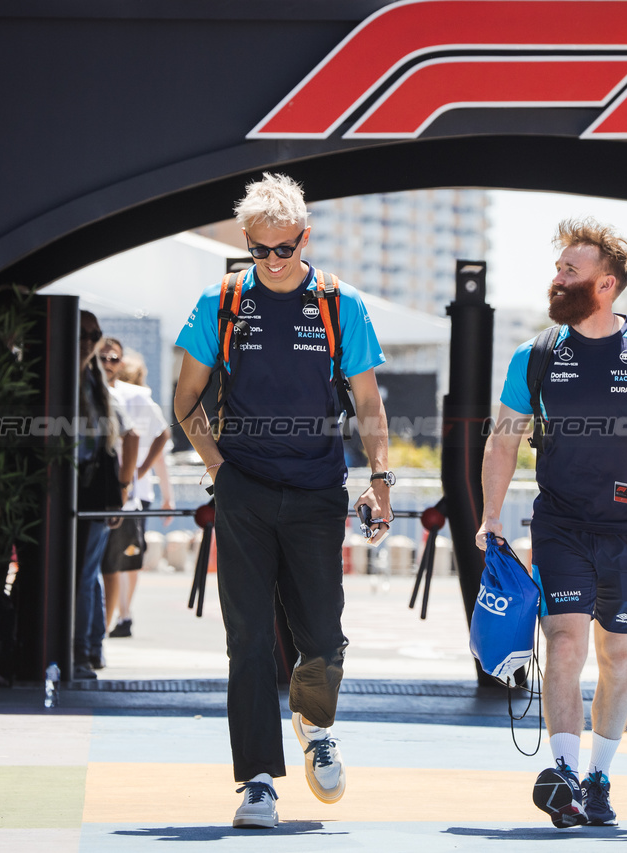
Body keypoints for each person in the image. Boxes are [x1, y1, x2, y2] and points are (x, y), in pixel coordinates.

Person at [172, 172, 393, 830]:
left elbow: (370, 402)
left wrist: (380, 479)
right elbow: (186, 401)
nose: (274, 262)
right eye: (261, 250)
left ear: (305, 237)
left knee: (322, 636)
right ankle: (258, 781)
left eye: (286, 249)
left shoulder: (338, 303)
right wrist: (218, 469)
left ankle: (315, 723)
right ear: (246, 241)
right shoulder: (220, 302)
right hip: (243, 490)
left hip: (317, 493)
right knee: (247, 640)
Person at [477, 219, 627, 828]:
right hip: (561, 524)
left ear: (606, 284)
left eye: (569, 270)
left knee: (619, 653)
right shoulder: (536, 356)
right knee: (565, 641)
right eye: (558, 268)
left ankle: (600, 776)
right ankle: (564, 774)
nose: (557, 278)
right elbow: (503, 442)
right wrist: (490, 518)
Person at [74, 312, 138, 680]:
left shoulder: (96, 382)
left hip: (93, 491)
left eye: (93, 335)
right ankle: (88, 648)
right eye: (83, 334)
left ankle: (85, 651)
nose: (88, 341)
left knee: (86, 574)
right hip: (73, 490)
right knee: (86, 574)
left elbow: (128, 437)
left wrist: (123, 487)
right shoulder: (75, 376)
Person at [99, 341, 172, 640]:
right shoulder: (92, 389)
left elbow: (154, 439)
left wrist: (132, 478)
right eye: (102, 357)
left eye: (114, 358)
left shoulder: (136, 398)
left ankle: (119, 617)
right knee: (110, 562)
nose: (108, 362)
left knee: (119, 560)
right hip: (114, 491)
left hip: (128, 494)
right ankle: (112, 620)